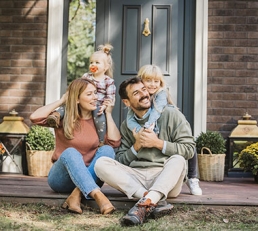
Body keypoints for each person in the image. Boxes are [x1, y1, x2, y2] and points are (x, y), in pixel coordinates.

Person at [94, 76, 196, 226]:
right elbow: (121, 159)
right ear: (126, 102)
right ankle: (151, 199)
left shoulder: (171, 114)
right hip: (137, 178)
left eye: (144, 89)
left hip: (166, 178)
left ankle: (144, 203)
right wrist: (137, 145)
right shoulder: (127, 125)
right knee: (101, 164)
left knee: (179, 160)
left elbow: (189, 149)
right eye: (136, 93)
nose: (144, 94)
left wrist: (157, 143)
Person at [30, 78, 121, 215]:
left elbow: (114, 142)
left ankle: (76, 195)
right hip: (62, 179)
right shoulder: (62, 117)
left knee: (107, 150)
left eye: (95, 93)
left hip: (90, 176)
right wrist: (62, 101)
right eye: (89, 94)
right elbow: (35, 117)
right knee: (71, 152)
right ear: (77, 99)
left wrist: (108, 113)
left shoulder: (99, 119)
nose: (95, 97)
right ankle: (98, 196)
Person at [127, 64, 202, 196]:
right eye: (148, 80)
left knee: (187, 140)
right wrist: (139, 132)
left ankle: (192, 177)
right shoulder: (137, 98)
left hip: (163, 116)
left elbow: (156, 111)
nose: (152, 84)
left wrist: (148, 127)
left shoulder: (161, 94)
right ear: (140, 81)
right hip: (150, 129)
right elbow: (130, 118)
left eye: (156, 81)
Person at [46, 44, 116, 146]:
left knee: (100, 118)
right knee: (66, 106)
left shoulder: (108, 81)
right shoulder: (86, 76)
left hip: (98, 104)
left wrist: (104, 106)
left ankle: (101, 140)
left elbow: (110, 97)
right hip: (83, 101)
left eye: (97, 63)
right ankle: (55, 116)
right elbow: (79, 88)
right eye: (91, 62)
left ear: (106, 67)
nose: (93, 64)